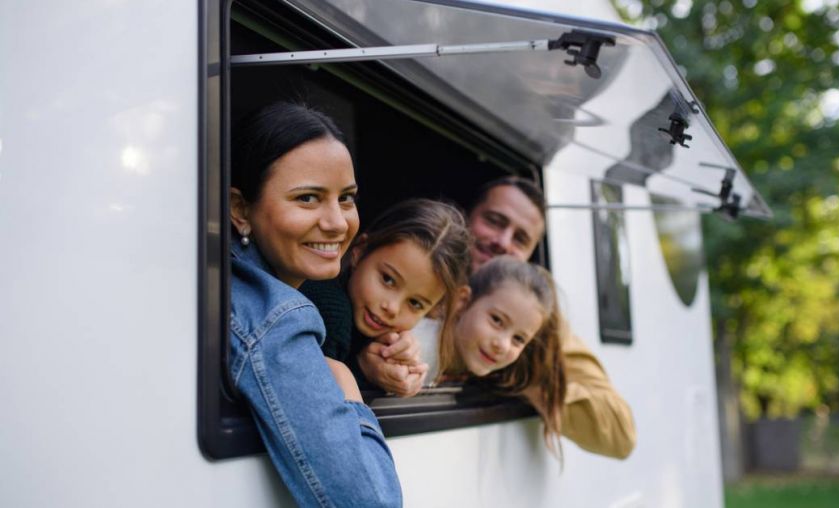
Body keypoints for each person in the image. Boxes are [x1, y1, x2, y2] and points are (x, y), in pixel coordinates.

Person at [362, 176, 637, 460]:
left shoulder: (538, 331)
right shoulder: (413, 269)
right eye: (494, 221)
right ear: (468, 218)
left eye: (520, 239)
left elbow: (620, 434)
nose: (503, 242)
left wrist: (524, 373)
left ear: (530, 255)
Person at [228, 101, 402, 507]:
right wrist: (347, 389)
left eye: (346, 198)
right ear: (240, 210)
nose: (338, 223)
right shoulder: (276, 318)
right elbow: (371, 502)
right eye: (307, 198)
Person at [300, 198, 472, 391]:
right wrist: (364, 371)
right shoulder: (329, 310)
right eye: (388, 280)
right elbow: (307, 394)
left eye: (415, 303)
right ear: (360, 250)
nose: (392, 307)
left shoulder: (385, 333)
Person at [426, 256, 566, 454]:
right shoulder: (416, 346)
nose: (502, 345)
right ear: (463, 301)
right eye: (497, 320)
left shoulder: (481, 373)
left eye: (518, 339)